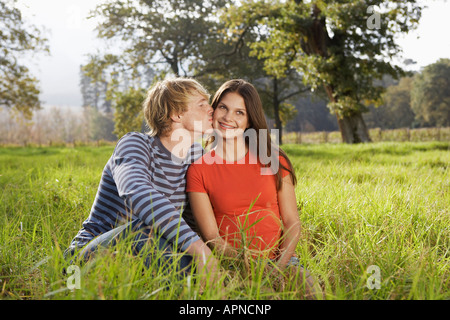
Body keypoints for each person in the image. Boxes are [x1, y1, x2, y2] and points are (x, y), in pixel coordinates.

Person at [64, 77, 219, 279]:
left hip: (146, 252)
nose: (211, 109)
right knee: (144, 229)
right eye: (202, 104)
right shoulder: (136, 144)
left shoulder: (196, 156)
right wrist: (199, 250)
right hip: (87, 256)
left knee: (192, 264)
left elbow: (193, 221)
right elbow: (137, 192)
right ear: (176, 114)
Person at [186, 79, 319, 298]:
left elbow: (292, 222)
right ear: (214, 110)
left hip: (282, 260)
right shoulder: (199, 170)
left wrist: (278, 266)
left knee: (309, 290)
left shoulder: (274, 159)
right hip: (235, 263)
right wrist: (250, 264)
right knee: (264, 296)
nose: (229, 117)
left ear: (249, 120)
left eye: (240, 112)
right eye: (224, 107)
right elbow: (212, 237)